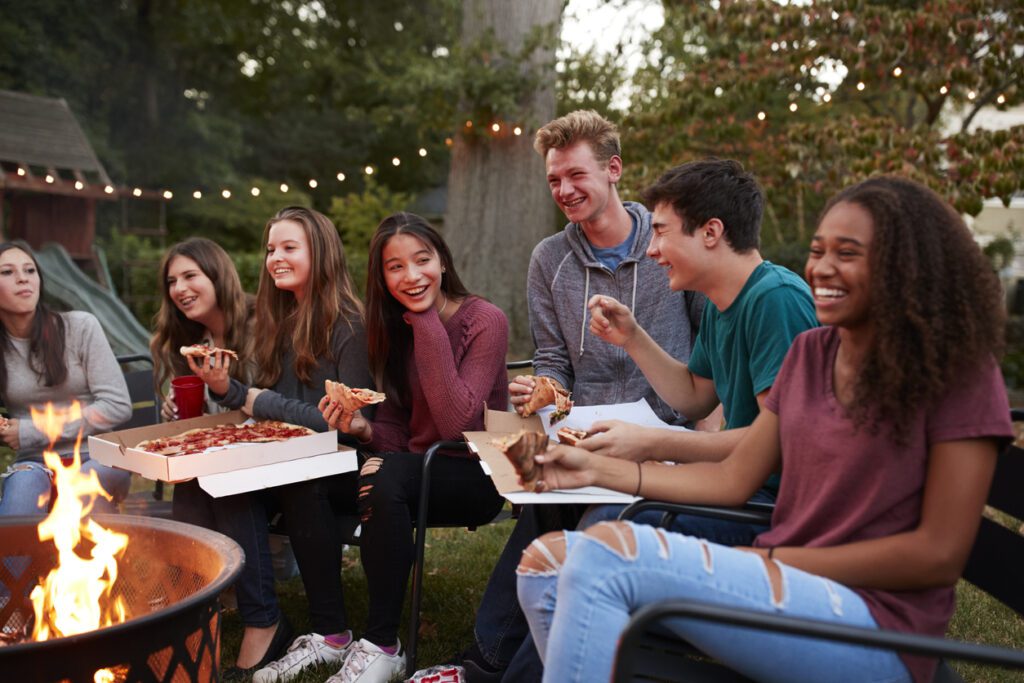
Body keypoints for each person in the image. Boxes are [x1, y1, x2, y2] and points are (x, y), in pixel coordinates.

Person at [517, 176, 1011, 683]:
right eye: (818, 250)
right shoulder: (813, 354)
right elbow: (733, 479)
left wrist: (771, 559)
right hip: (785, 581)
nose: (820, 267)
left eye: (847, 252)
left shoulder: (961, 374)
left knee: (602, 556)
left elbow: (936, 556)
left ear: (904, 264)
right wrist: (593, 468)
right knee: (544, 569)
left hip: (877, 627)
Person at [443, 110, 706, 683]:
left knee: (558, 516)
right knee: (541, 499)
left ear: (613, 170)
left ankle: (500, 665)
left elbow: (706, 362)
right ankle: (488, 660)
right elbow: (556, 362)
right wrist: (544, 388)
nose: (563, 190)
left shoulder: (670, 250)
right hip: (580, 432)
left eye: (575, 175)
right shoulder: (549, 259)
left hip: (663, 436)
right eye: (553, 180)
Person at [573, 157, 818, 533]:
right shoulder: (723, 303)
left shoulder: (775, 299)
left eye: (661, 232)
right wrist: (632, 338)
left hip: (777, 509)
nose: (651, 249)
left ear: (710, 232)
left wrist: (655, 443)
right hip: (739, 487)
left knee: (611, 519)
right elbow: (693, 396)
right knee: (577, 501)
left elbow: (780, 443)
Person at [319, 212, 508, 683]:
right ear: (381, 277)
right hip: (407, 470)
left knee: (385, 474)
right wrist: (363, 430)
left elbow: (459, 423)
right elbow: (400, 433)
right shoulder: (398, 331)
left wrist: (425, 320)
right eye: (395, 267)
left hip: (475, 473)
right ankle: (328, 634)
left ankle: (383, 644)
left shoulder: (485, 320)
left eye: (422, 260)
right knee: (312, 479)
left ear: (442, 261)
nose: (412, 275)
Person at [188, 208, 372, 683]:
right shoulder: (281, 318)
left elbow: (345, 423)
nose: (275, 258)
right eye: (271, 249)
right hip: (288, 459)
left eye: (289, 247)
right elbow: (267, 407)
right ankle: (251, 617)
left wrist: (257, 399)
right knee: (199, 484)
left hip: (347, 466)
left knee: (298, 485)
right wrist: (226, 387)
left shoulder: (352, 323)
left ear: (321, 253)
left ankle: (331, 632)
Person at [150, 237, 283, 677]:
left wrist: (226, 394)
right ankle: (192, 611)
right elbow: (197, 419)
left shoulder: (264, 321)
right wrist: (173, 410)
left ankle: (262, 619)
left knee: (222, 482)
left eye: (190, 275)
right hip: (222, 458)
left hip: (280, 456)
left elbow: (279, 402)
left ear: (217, 274)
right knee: (191, 487)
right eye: (172, 280)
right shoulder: (187, 341)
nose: (180, 288)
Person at [0, 241, 131, 516]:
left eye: (30, 270)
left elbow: (117, 406)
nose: (23, 277)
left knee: (82, 489)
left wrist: (31, 431)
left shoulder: (80, 327)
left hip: (98, 454)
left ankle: (96, 559)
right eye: (7, 272)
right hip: (34, 462)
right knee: (16, 511)